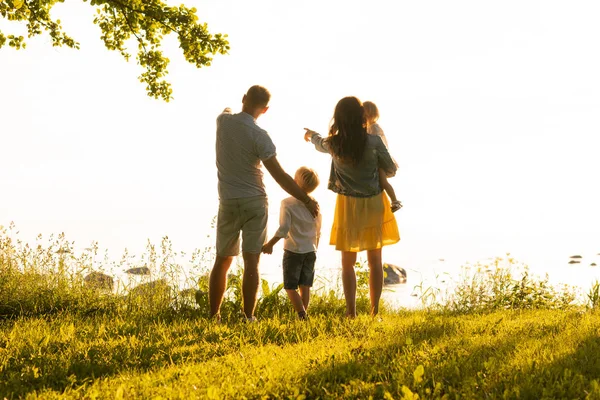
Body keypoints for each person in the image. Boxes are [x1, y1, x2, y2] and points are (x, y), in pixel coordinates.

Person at [210, 85, 319, 322]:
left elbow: (226, 111)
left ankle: (214, 315)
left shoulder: (223, 121)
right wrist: (306, 198)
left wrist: (230, 109)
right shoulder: (260, 136)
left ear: (244, 99)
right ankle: (248, 316)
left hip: (228, 200)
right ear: (265, 110)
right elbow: (280, 176)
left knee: (223, 259)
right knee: (252, 260)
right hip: (254, 202)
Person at [304, 96, 400, 317]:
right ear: (361, 116)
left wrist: (310, 136)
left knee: (348, 264)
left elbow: (319, 142)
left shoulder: (334, 144)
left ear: (338, 118)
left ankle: (351, 312)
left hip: (348, 206)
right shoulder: (374, 142)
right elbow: (392, 169)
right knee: (375, 262)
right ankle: (375, 313)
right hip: (374, 202)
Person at [261, 167, 322, 320]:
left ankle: (301, 314)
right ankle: (303, 315)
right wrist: (315, 247)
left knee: (290, 286)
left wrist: (270, 244)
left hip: (294, 251)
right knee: (305, 285)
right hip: (310, 251)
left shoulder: (287, 203)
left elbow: (284, 228)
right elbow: (318, 229)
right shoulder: (315, 204)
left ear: (294, 183)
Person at [363, 101, 402, 213]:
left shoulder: (374, 127)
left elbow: (375, 144)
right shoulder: (371, 127)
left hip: (380, 161)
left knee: (383, 181)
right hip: (378, 159)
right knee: (380, 181)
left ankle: (395, 201)